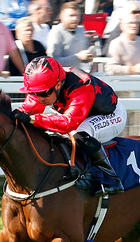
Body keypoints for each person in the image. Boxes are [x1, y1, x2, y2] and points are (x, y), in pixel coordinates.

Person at [12, 56, 126, 194]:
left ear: (58, 85)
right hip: (82, 116)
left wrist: (33, 119)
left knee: (79, 134)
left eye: (43, 93)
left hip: (111, 115)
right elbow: (27, 111)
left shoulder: (81, 86)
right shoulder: (45, 85)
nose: (39, 98)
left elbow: (68, 123)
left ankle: (112, 179)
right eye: (33, 93)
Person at [105, 10, 140, 75]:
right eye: (130, 23)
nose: (133, 26)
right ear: (121, 26)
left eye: (136, 23)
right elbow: (111, 69)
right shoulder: (116, 43)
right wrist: (132, 69)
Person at [47, 1, 93, 69]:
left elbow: (83, 58)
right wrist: (78, 57)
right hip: (63, 76)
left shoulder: (81, 30)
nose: (75, 19)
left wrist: (88, 57)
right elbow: (53, 61)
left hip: (81, 73)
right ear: (61, 17)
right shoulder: (56, 32)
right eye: (71, 16)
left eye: (77, 16)